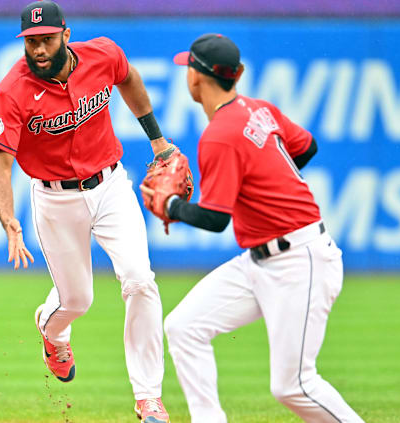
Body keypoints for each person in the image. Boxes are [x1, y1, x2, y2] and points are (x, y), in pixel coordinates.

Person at [149, 33, 365, 422]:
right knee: (184, 327)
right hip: (261, 260)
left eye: (188, 69)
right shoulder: (260, 109)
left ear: (195, 78)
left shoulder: (219, 136)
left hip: (300, 260)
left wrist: (170, 206)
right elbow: (307, 147)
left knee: (294, 386)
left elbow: (216, 220)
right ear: (239, 74)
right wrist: (268, 181)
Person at [0, 2, 172, 421]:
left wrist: (158, 142)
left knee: (140, 280)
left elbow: (129, 78)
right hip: (55, 199)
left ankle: (148, 398)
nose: (38, 49)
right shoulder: (13, 90)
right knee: (77, 300)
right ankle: (52, 331)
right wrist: (9, 219)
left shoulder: (102, 55)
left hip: (110, 185)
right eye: (31, 42)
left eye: (46, 39)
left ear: (65, 35)